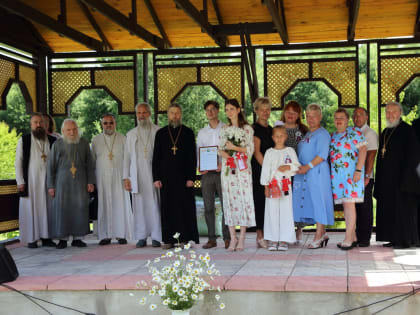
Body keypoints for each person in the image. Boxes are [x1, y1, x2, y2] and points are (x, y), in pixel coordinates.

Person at [152, 103, 199, 249]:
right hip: (165, 178)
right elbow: (156, 158)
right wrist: (156, 178)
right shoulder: (160, 134)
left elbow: (193, 157)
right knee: (167, 209)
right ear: (168, 115)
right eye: (172, 113)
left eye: (177, 113)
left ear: (181, 114)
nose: (175, 116)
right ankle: (168, 239)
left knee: (183, 208)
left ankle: (184, 238)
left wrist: (192, 177)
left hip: (184, 178)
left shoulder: (188, 132)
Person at [374, 101, 420, 249]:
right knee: (390, 210)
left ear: (400, 113)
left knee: (402, 212)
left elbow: (414, 157)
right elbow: (380, 158)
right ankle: (393, 238)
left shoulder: (407, 130)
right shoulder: (385, 131)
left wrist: (406, 179)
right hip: (387, 181)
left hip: (402, 180)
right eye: (388, 112)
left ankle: (404, 240)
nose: (390, 115)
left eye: (393, 112)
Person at [47, 119, 95, 249]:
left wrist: (91, 181)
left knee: (80, 209)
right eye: (68, 130)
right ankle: (62, 239)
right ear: (63, 131)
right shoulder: (57, 145)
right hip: (62, 183)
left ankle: (78, 238)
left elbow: (90, 164)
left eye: (74, 129)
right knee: (62, 209)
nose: (72, 132)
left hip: (80, 181)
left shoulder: (84, 143)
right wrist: (51, 185)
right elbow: (50, 166)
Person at [293, 104, 334, 249]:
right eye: (308, 116)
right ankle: (322, 233)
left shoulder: (322, 134)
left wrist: (307, 167)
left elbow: (322, 155)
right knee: (312, 201)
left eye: (314, 115)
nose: (310, 119)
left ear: (320, 117)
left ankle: (318, 236)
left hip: (317, 172)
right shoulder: (308, 134)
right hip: (305, 173)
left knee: (319, 201)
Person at [15, 113, 57, 248]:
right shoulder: (24, 140)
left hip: (48, 182)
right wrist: (20, 181)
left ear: (45, 124)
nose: (38, 125)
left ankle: (46, 237)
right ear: (31, 125)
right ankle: (31, 239)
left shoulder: (52, 140)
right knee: (30, 209)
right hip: (30, 182)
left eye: (41, 122)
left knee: (48, 209)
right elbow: (18, 162)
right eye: (35, 122)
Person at [219, 98, 256, 251]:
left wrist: (234, 147)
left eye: (232, 109)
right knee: (229, 202)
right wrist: (225, 154)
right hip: (228, 169)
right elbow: (220, 148)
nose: (229, 112)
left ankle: (242, 238)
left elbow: (249, 150)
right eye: (227, 109)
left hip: (242, 169)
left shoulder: (247, 129)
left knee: (243, 200)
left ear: (238, 110)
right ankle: (232, 238)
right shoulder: (224, 129)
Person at [91, 113, 133, 245]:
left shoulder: (123, 138)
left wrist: (127, 177)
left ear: (115, 124)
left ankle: (121, 234)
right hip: (102, 177)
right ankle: (105, 235)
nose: (108, 125)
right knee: (104, 204)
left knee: (119, 204)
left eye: (111, 122)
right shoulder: (96, 140)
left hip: (119, 176)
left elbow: (128, 159)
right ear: (101, 124)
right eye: (105, 123)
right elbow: (92, 161)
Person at [124, 103, 162, 248]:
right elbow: (126, 157)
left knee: (155, 205)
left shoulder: (158, 131)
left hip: (154, 175)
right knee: (139, 207)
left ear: (149, 113)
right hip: (137, 175)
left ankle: (157, 236)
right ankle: (141, 236)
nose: (141, 115)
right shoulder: (131, 134)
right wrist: (126, 177)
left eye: (144, 112)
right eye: (139, 113)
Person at [330, 108, 367, 250]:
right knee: (346, 205)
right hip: (338, 177)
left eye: (342, 118)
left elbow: (363, 150)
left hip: (352, 175)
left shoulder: (355, 133)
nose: (338, 120)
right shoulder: (333, 136)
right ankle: (354, 236)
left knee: (349, 205)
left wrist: (358, 170)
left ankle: (348, 238)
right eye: (336, 118)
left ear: (347, 120)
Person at [260, 126, 300, 251]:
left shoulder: (290, 151)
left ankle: (284, 239)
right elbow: (265, 170)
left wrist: (287, 167)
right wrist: (266, 186)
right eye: (276, 136)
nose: (279, 138)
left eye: (281, 135)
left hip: (285, 185)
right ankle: (272, 239)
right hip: (272, 185)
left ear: (286, 137)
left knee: (285, 211)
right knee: (271, 211)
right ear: (273, 137)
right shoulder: (269, 152)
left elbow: (296, 165)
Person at [196, 100, 230, 249]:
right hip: (207, 174)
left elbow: (230, 150)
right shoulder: (202, 132)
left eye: (212, 109)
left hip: (223, 171)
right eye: (207, 110)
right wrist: (199, 166)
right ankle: (211, 239)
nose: (210, 112)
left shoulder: (226, 128)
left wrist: (223, 164)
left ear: (217, 111)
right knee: (208, 206)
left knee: (226, 206)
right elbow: (199, 150)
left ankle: (227, 237)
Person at [277, 100, 309, 243]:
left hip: (299, 172)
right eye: (288, 111)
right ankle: (284, 231)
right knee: (284, 200)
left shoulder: (303, 130)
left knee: (298, 200)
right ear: (284, 112)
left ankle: (299, 229)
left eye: (294, 112)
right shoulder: (277, 127)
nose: (290, 115)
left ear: (298, 115)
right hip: (282, 172)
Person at [352, 107, 378, 247]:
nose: (357, 118)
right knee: (356, 207)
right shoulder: (353, 132)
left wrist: (367, 176)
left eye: (360, 115)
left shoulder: (369, 133)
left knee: (365, 207)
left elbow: (371, 155)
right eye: (355, 115)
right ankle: (357, 235)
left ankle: (364, 238)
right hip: (355, 175)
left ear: (366, 117)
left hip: (365, 176)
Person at [251, 97, 274, 249]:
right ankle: (259, 235)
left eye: (268, 109)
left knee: (269, 203)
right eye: (262, 109)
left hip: (272, 170)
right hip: (260, 169)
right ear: (256, 111)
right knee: (259, 201)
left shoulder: (272, 129)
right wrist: (268, 169)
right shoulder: (254, 129)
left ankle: (268, 233)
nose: (265, 112)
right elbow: (257, 153)